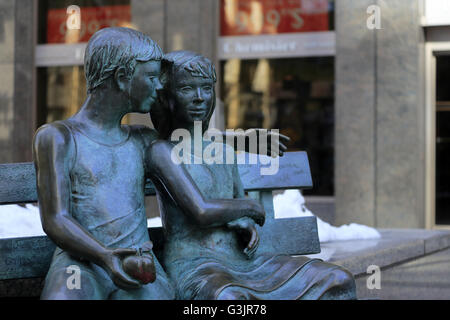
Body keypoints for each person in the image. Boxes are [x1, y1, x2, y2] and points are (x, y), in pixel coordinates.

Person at [146, 50, 357, 300]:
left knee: (338, 280)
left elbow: (238, 209)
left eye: (206, 88)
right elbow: (201, 212)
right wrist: (248, 207)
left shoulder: (222, 150)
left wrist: (243, 223)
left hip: (246, 262)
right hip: (196, 267)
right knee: (230, 300)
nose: (200, 98)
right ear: (167, 97)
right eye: (187, 89)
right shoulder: (161, 151)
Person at [33, 27, 174, 300]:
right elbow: (55, 219)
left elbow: (190, 150)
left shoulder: (143, 140)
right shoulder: (58, 137)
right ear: (123, 78)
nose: (160, 87)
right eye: (152, 77)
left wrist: (238, 142)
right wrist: (105, 256)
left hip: (138, 263)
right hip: (79, 263)